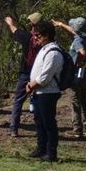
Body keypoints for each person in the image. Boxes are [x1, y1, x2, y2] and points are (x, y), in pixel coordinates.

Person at [25, 20, 64, 162]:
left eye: (38, 35)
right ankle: (41, 148)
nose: (35, 37)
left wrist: (31, 86)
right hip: (39, 92)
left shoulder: (53, 52)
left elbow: (45, 77)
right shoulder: (44, 49)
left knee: (48, 123)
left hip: (48, 93)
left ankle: (51, 152)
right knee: (39, 122)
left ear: (47, 35)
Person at [54, 17, 86, 138]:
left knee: (75, 101)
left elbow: (82, 53)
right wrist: (61, 24)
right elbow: (73, 31)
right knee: (84, 100)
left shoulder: (77, 41)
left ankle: (77, 129)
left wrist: (78, 65)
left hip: (78, 73)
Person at [4, 12, 40, 138]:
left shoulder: (26, 37)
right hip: (40, 74)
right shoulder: (45, 38)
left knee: (18, 100)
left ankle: (14, 128)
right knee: (39, 100)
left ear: (31, 24)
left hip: (26, 72)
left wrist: (10, 22)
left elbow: (14, 30)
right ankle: (40, 127)